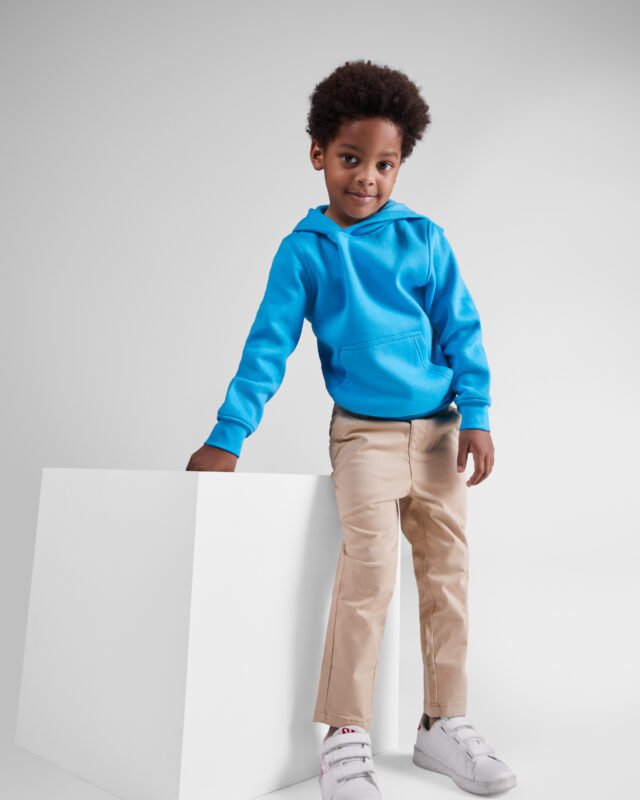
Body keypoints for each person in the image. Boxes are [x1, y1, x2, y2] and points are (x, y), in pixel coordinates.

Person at [186, 59, 516, 799]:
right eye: (350, 158)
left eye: (384, 164)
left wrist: (478, 415)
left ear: (400, 166)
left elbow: (462, 330)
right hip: (364, 433)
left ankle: (442, 723)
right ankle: (345, 734)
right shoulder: (304, 251)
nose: (366, 177)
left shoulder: (423, 238)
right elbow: (267, 348)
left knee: (447, 574)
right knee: (367, 573)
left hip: (440, 431)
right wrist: (228, 435)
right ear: (318, 154)